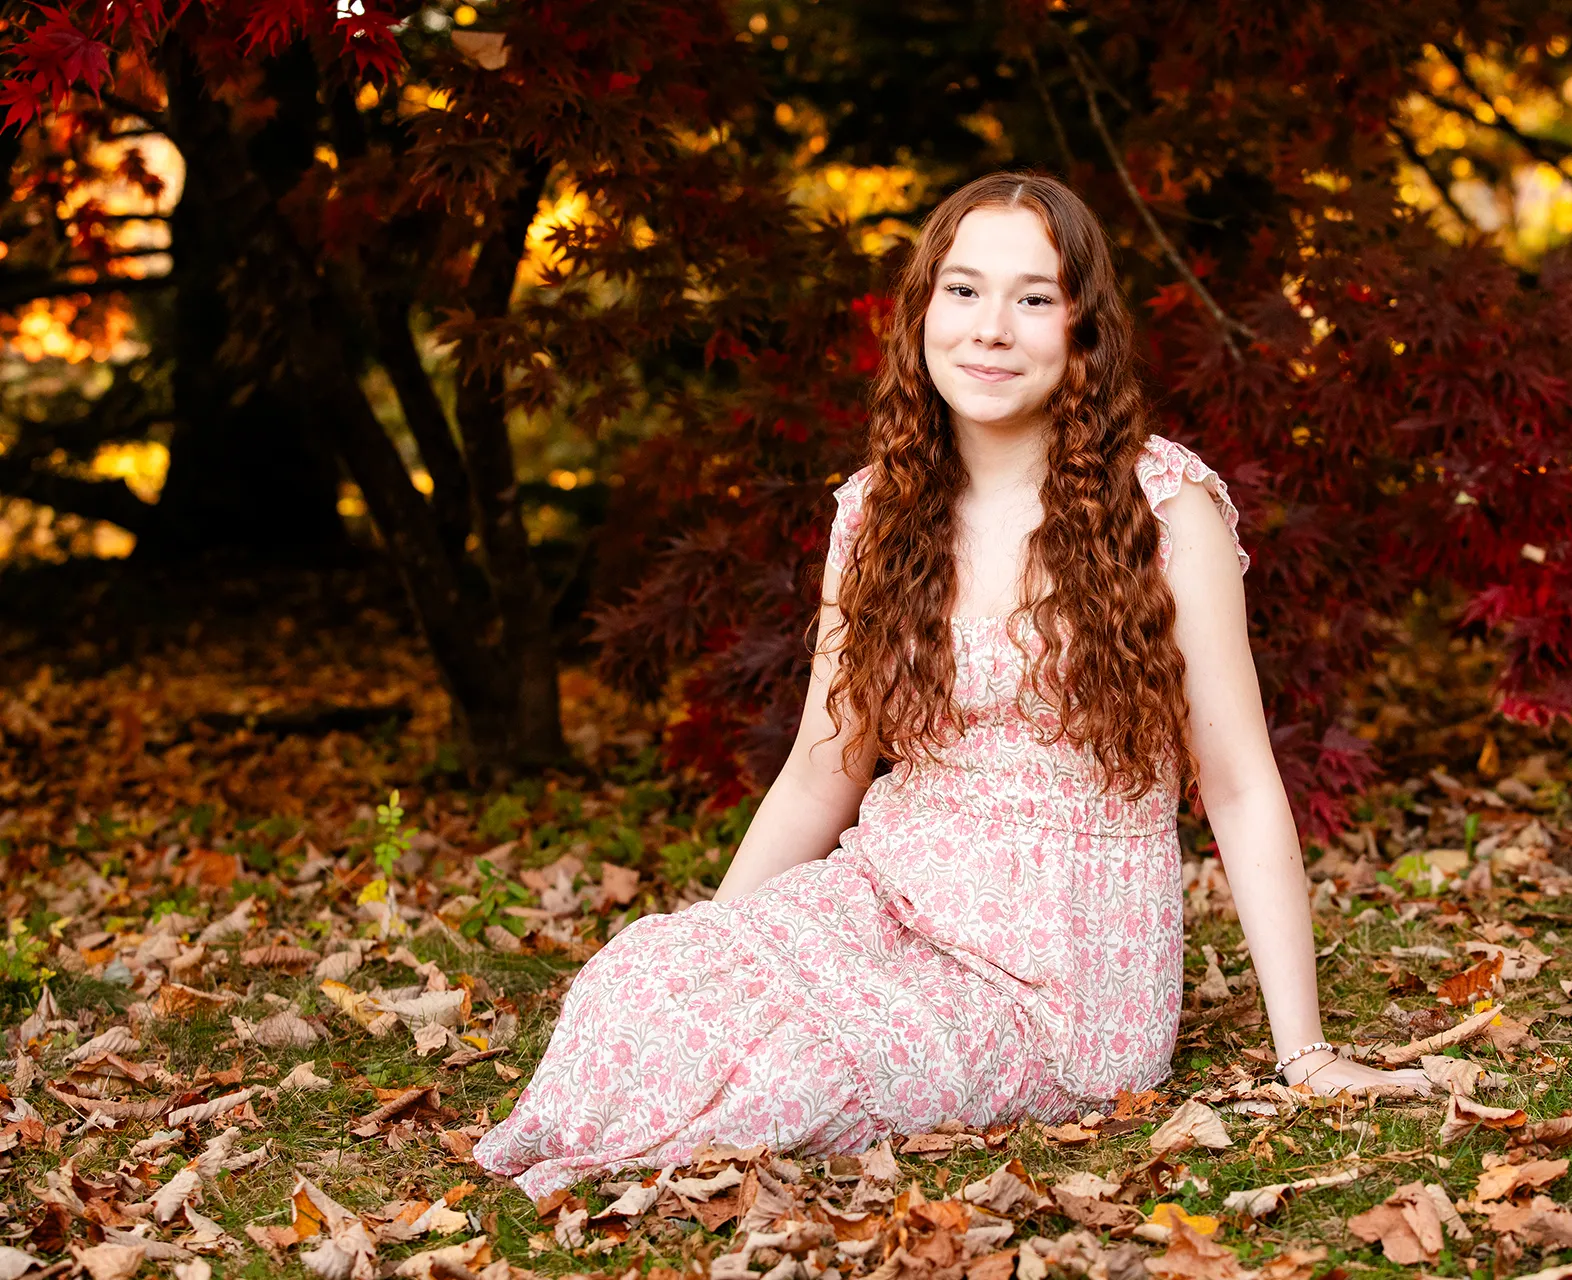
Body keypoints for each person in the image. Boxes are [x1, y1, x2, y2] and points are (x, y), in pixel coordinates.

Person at [473, 171, 1430, 1201]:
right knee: (645, 976)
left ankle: (666, 1125)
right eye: (963, 291)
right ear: (923, 312)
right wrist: (723, 944)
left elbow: (1239, 785)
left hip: (1063, 977)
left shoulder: (1164, 507)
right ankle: (671, 1053)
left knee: (791, 1073)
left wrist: (1305, 1051)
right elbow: (817, 771)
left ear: (1082, 328)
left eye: (1033, 297)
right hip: (890, 897)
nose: (991, 329)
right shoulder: (877, 510)